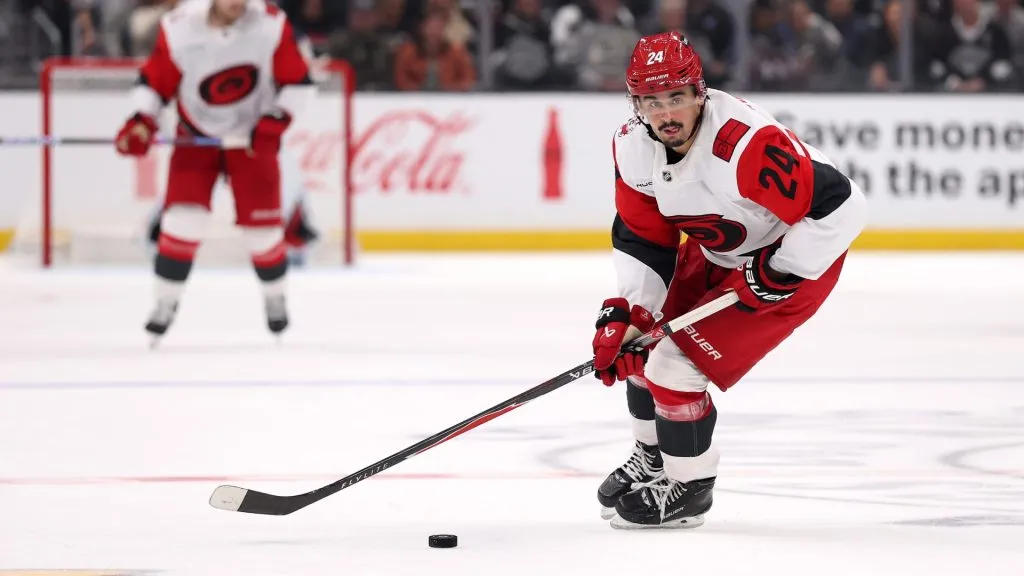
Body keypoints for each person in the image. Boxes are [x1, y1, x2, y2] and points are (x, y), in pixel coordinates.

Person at [592, 31, 867, 529]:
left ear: (700, 92)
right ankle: (653, 456)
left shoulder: (742, 145)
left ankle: (690, 490)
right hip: (718, 249)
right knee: (640, 346)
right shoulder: (632, 145)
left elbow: (844, 205)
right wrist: (632, 311)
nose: (666, 114)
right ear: (635, 104)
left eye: (676, 97)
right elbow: (643, 236)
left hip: (793, 265)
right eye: (651, 102)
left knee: (673, 369)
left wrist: (782, 267)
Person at [114, 0, 316, 343]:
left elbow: (299, 84)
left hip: (251, 138)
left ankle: (274, 297)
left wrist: (274, 122)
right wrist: (141, 120)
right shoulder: (178, 27)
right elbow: (154, 82)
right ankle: (165, 302)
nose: (238, 2)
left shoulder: (270, 24)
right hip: (196, 136)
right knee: (181, 222)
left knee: (262, 234)